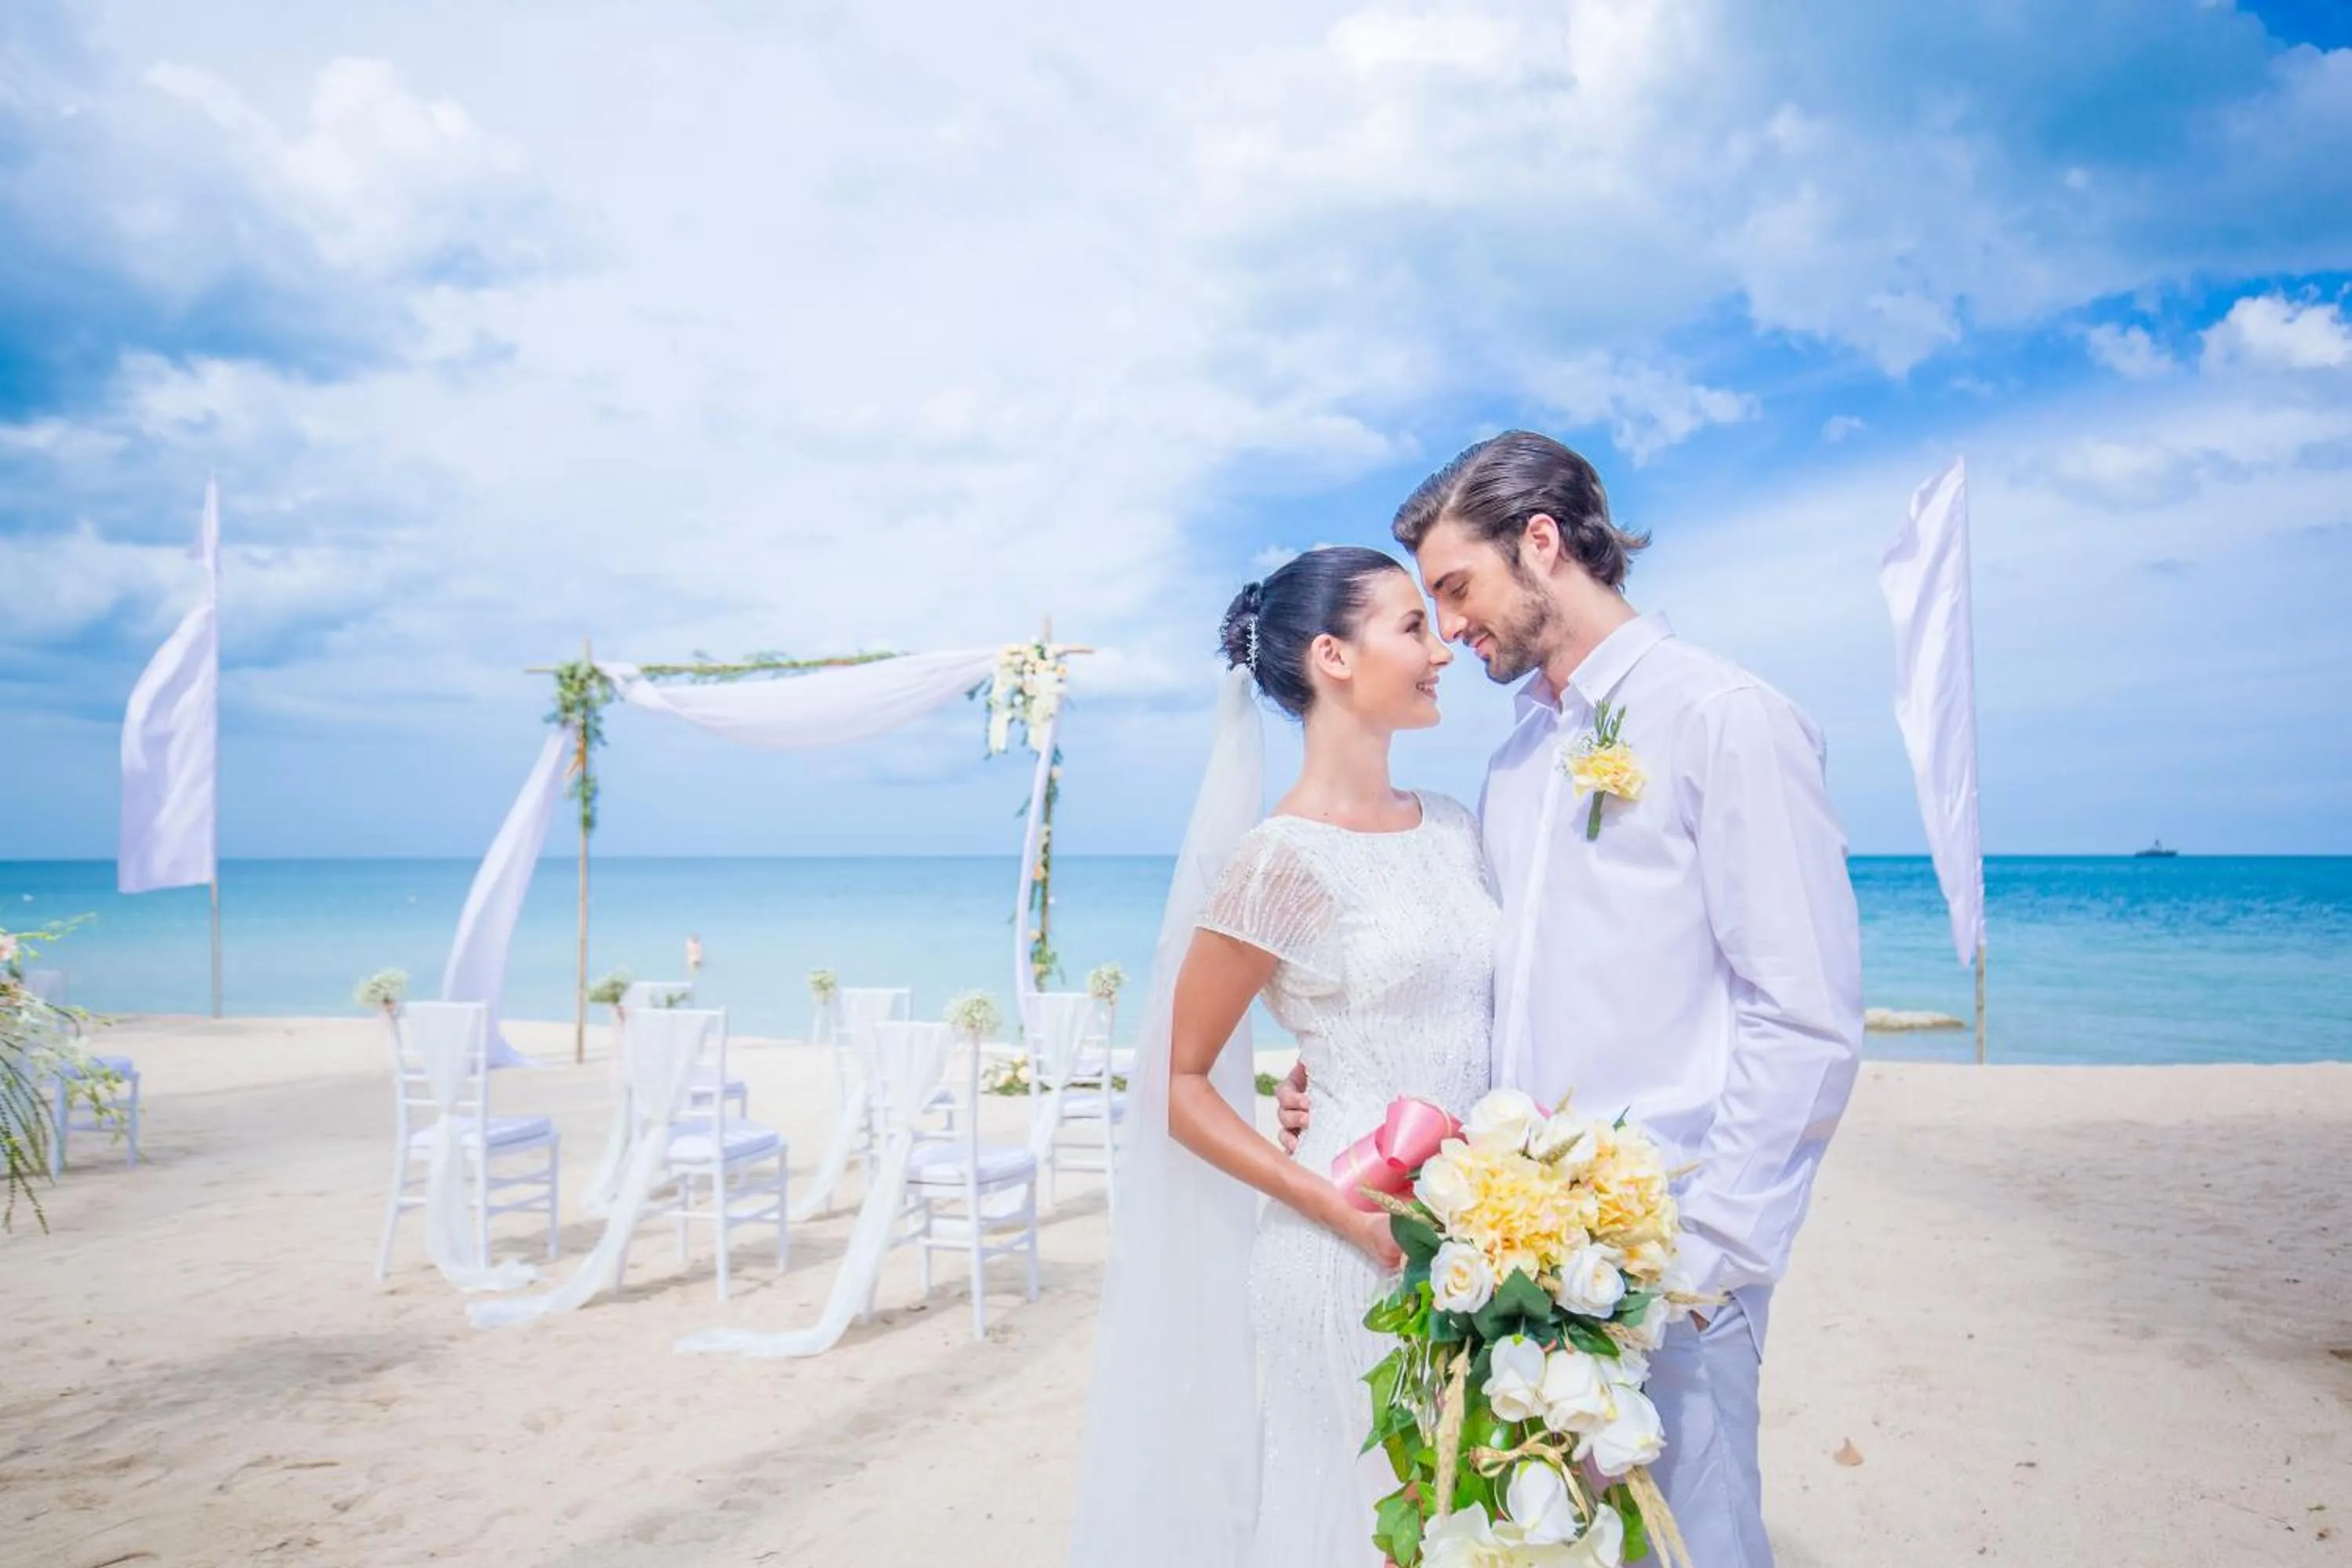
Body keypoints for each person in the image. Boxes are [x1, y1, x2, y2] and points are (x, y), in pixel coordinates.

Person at [1281, 430, 1864, 1566]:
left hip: (1673, 1267)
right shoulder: (1508, 769)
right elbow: (1493, 993)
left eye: (1458, 587)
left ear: (1541, 542)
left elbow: (1805, 1016)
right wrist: (1349, 1072)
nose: (1449, 629)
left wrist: (1699, 1263)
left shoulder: (1723, 717)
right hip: (1507, 1270)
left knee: (1696, 1543)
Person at [1067, 546, 1498, 1568]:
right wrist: (1325, 1200)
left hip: (1486, 1222)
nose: (1442, 650)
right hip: (1349, 1232)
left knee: (1462, 1517)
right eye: (1411, 626)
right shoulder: (1280, 860)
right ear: (1331, 656)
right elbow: (1179, 1080)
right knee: (1354, 1517)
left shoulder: (1454, 827)